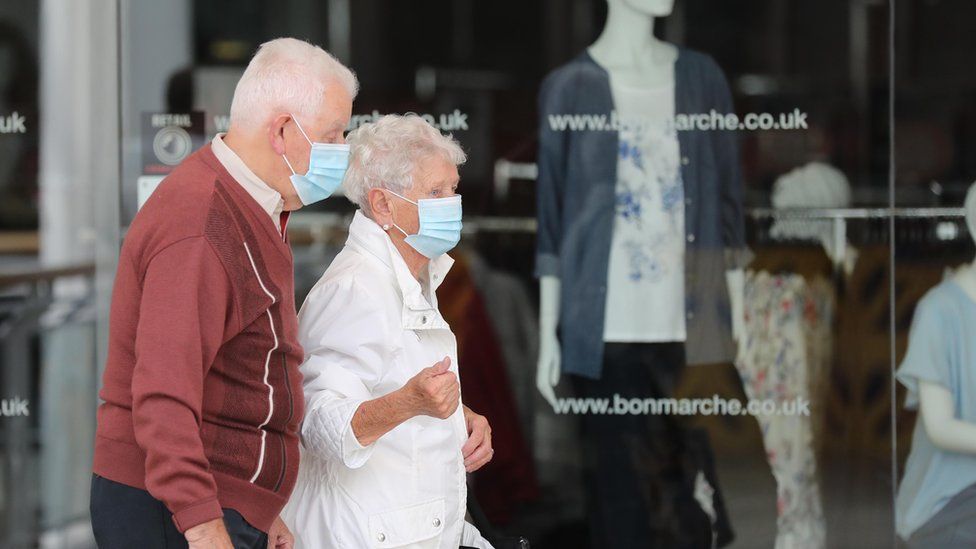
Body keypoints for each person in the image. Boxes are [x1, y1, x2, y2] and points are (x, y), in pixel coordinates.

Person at [89, 37, 356, 549]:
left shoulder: (252, 203)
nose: (343, 150)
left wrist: (257, 505)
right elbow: (165, 392)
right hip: (173, 512)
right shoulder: (202, 223)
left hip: (216, 502)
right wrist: (203, 522)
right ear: (282, 130)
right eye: (334, 134)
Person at [280, 114, 495, 549]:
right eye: (435, 192)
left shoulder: (414, 277)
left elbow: (392, 379)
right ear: (382, 205)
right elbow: (319, 422)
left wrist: (458, 417)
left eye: (453, 189)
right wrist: (409, 402)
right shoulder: (355, 289)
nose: (451, 203)